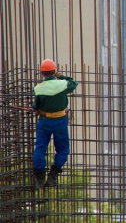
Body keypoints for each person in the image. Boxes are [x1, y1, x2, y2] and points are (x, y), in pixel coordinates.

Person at [32, 59, 78, 189]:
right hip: (60, 121)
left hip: (45, 121)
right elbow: (74, 83)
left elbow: (36, 106)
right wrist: (60, 76)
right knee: (63, 150)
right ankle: (53, 175)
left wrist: (37, 109)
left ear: (42, 73)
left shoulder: (38, 88)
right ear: (54, 71)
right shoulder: (62, 84)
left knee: (40, 148)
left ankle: (40, 179)